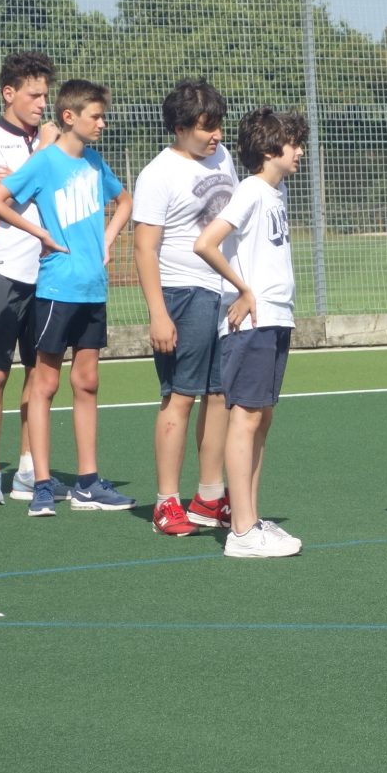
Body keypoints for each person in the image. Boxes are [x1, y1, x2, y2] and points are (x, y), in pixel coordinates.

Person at [0, 79, 134, 517]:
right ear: (70, 117)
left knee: (87, 382)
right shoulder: (45, 162)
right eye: (96, 116)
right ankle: (42, 484)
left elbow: (125, 201)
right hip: (56, 289)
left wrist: (107, 240)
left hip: (92, 290)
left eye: (103, 116)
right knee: (44, 384)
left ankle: (88, 482)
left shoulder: (95, 162)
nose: (102, 124)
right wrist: (40, 233)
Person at [193, 106, 307, 558]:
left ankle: (251, 519)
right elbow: (205, 243)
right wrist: (243, 289)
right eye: (293, 143)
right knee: (245, 418)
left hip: (276, 318)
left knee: (262, 418)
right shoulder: (251, 190)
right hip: (251, 324)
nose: (300, 151)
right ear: (269, 149)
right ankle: (241, 531)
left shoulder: (277, 193)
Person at [132, 78, 237, 536]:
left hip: (223, 294)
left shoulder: (223, 156)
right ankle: (166, 502)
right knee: (180, 395)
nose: (216, 135)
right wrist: (158, 313)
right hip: (182, 293)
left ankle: (209, 498)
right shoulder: (157, 174)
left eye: (218, 125)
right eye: (206, 127)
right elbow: (144, 248)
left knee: (220, 395)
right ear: (179, 128)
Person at [0, 51, 62, 505]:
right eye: (34, 95)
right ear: (9, 93)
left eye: (45, 95)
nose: (43, 104)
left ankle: (28, 468)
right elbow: (2, 194)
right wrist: (40, 156)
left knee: (39, 374)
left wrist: (30, 169)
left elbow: (41, 188)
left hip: (48, 274)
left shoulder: (52, 139)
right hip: (4, 270)